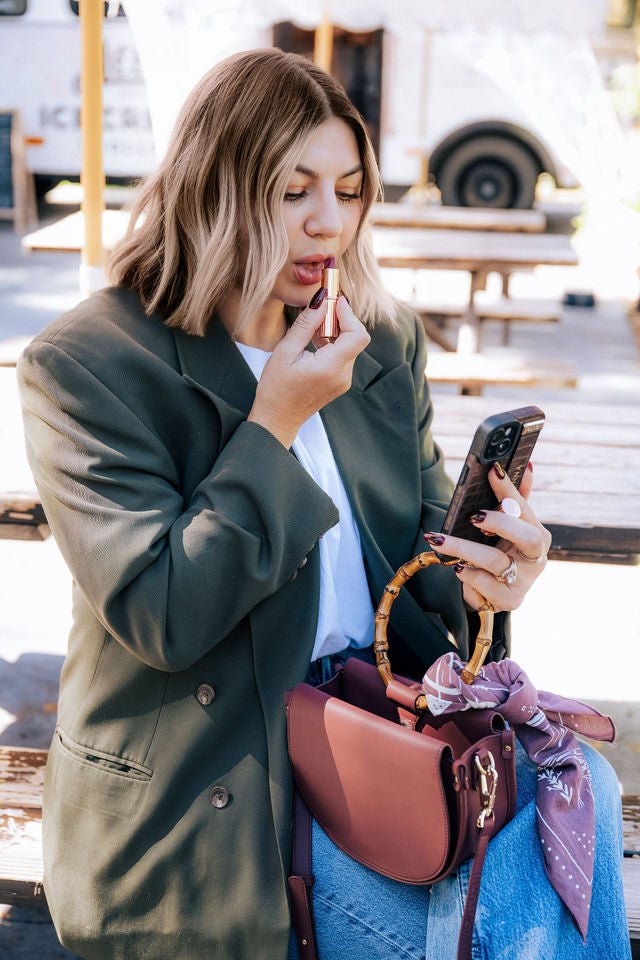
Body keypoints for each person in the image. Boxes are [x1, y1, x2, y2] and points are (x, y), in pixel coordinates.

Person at [18, 49, 629, 960]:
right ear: (214, 192)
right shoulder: (89, 367)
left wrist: (491, 579)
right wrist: (274, 423)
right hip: (215, 777)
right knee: (515, 919)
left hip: (375, 726)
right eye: (291, 190)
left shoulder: (380, 341)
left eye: (348, 191)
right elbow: (164, 617)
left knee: (586, 791)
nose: (328, 223)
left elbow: (424, 573)